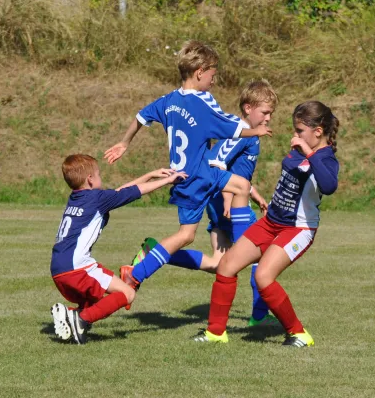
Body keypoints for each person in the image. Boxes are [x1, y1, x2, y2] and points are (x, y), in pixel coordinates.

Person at [103, 41, 272, 300]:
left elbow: (140, 117)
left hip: (186, 174)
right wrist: (255, 130)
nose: (214, 81)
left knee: (241, 187)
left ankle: (239, 249)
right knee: (185, 235)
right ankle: (136, 274)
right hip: (197, 177)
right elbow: (232, 127)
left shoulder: (169, 100)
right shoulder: (202, 102)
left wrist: (124, 142)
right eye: (213, 75)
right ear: (200, 72)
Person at [131, 79, 279, 325]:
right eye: (264, 112)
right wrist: (229, 199)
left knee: (218, 263)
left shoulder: (244, 133)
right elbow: (216, 164)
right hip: (226, 204)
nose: (268, 118)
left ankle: (154, 254)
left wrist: (252, 193)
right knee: (261, 253)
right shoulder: (238, 133)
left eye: (271, 113)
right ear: (248, 108)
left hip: (226, 200)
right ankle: (259, 317)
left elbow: (235, 173)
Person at [194, 101, 340, 347]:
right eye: (295, 130)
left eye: (300, 130)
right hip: (271, 222)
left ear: (318, 130)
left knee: (263, 276)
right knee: (227, 265)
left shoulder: (326, 158)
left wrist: (309, 152)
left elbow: (329, 185)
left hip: (297, 229)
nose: (295, 135)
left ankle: (298, 333)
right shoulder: (299, 148)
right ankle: (216, 333)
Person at [50, 154, 186, 344]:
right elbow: (133, 192)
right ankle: (79, 319)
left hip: (58, 268)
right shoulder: (97, 198)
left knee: (96, 304)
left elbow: (122, 192)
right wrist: (168, 180)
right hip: (77, 267)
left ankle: (72, 318)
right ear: (90, 179)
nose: (100, 177)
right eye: (98, 174)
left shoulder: (78, 197)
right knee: (127, 294)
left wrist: (150, 175)